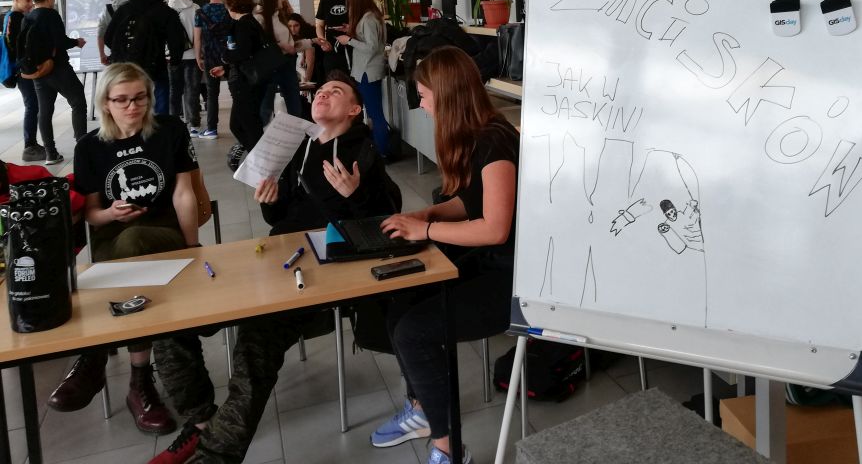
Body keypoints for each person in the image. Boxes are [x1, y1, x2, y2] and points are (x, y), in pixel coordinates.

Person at [149, 73, 398, 464]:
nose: (323, 94)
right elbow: (283, 217)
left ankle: (216, 454)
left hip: (317, 273)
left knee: (256, 345)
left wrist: (357, 195)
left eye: (335, 92)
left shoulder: (362, 151)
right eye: (320, 90)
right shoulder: (302, 145)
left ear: (354, 109)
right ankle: (200, 422)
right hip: (275, 258)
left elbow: (386, 221)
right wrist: (272, 200)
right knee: (170, 322)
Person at [372, 46, 519, 464]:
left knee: (413, 332)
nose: (420, 104)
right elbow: (470, 203)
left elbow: (494, 227)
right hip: (489, 262)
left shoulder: (495, 141)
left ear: (448, 94)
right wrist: (428, 214)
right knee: (399, 303)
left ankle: (447, 449)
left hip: (513, 279)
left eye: (423, 96)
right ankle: (423, 410)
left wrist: (426, 229)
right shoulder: (476, 136)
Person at [47, 62, 199, 435]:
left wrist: (194, 248)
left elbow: (183, 193)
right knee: (127, 253)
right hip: (111, 238)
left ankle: (95, 355)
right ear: (106, 103)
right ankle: (139, 382)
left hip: (164, 234)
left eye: (140, 98)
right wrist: (112, 213)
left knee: (134, 244)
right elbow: (92, 215)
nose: (133, 107)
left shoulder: (170, 131)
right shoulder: (89, 147)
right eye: (122, 100)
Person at [20, 0, 88, 165]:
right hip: (58, 68)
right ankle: (83, 148)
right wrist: (76, 42)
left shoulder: (28, 17)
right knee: (78, 102)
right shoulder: (50, 14)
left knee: (45, 110)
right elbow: (60, 41)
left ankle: (50, 153)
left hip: (38, 71)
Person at [104, 0, 185, 114]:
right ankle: (158, 126)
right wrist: (174, 62)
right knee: (160, 110)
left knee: (130, 108)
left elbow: (108, 37)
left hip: (127, 69)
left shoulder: (124, 10)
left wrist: (126, 52)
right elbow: (177, 43)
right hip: (156, 68)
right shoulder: (167, 12)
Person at [208, 0, 267, 158]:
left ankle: (261, 160)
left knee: (247, 125)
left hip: (245, 84)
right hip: (249, 81)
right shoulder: (250, 22)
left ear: (230, 6)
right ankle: (258, 158)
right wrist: (226, 68)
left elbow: (243, 52)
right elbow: (249, 54)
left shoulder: (243, 25)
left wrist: (224, 57)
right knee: (240, 125)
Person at [337, 0, 390, 158]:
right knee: (374, 113)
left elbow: (371, 47)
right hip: (367, 70)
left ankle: (381, 153)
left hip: (368, 71)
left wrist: (349, 41)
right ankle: (379, 150)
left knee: (376, 114)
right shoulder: (371, 16)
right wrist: (350, 32)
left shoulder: (368, 18)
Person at [3, 0, 44, 161]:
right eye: (27, 0)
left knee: (33, 105)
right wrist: (28, 64)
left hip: (22, 69)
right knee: (32, 105)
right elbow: (16, 45)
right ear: (16, 0)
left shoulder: (14, 17)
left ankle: (31, 144)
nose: (30, 4)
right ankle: (29, 146)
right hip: (22, 71)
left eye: (31, 0)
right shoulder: (15, 17)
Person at [255, 0, 302, 122]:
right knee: (266, 106)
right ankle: (262, 133)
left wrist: (312, 42)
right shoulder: (259, 18)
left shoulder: (280, 17)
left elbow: (291, 44)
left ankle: (296, 132)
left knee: (294, 103)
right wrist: (281, 46)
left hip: (287, 63)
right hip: (271, 66)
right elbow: (259, 44)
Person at [193, 0, 229, 139]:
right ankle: (242, 125)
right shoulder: (229, 10)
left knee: (212, 93)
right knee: (236, 92)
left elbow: (197, 38)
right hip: (229, 56)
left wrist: (198, 57)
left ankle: (212, 129)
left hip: (210, 56)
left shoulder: (201, 12)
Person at [167, 0, 201, 135]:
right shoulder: (195, 8)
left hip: (172, 56)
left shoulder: (166, 8)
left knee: (174, 91)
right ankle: (194, 126)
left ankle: (173, 124)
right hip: (192, 55)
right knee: (192, 90)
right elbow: (199, 34)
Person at [315, 0, 354, 75]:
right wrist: (323, 41)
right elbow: (319, 25)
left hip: (351, 46)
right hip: (331, 48)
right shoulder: (325, 0)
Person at [97, 0, 137, 65]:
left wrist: (102, 55)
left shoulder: (108, 8)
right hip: (140, 54)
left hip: (118, 55)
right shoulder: (140, 5)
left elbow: (100, 34)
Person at [287, 13, 324, 86]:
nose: (293, 29)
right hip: (308, 66)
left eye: (296, 25)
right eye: (290, 26)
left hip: (319, 65)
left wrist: (306, 84)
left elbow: (310, 62)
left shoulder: (309, 34)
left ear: (301, 25)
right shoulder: (291, 36)